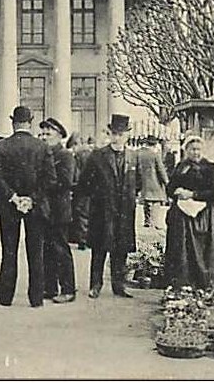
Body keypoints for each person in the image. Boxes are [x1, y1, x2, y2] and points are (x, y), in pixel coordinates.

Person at [0, 106, 57, 308]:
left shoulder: (0, 147)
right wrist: (32, 199)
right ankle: (35, 298)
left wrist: (13, 197)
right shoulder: (43, 147)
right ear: (31, 121)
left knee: (9, 251)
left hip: (9, 207)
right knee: (36, 252)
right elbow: (50, 179)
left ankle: (5, 296)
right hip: (35, 207)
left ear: (13, 122)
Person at [78, 114, 138, 299]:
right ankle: (95, 285)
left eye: (121, 134)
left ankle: (118, 286)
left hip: (125, 210)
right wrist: (96, 197)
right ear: (110, 134)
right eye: (114, 133)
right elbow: (85, 182)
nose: (117, 137)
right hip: (102, 209)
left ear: (127, 135)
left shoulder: (133, 157)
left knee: (121, 249)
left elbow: (138, 182)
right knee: (99, 247)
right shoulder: (98, 155)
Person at [163, 134, 214, 293]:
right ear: (186, 150)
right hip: (182, 217)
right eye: (192, 149)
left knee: (204, 251)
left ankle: (204, 284)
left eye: (198, 149)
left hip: (203, 216)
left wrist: (193, 195)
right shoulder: (181, 167)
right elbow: (170, 188)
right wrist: (177, 192)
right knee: (182, 250)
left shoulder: (210, 168)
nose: (196, 153)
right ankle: (183, 283)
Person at [39, 118, 76, 304]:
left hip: (59, 208)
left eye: (48, 134)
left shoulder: (65, 155)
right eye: (43, 134)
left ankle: (68, 289)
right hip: (45, 209)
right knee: (47, 249)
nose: (44, 137)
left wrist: (43, 185)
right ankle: (49, 287)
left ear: (60, 136)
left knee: (61, 249)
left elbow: (66, 181)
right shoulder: (44, 154)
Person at [67, 132, 92, 250]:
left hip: (80, 188)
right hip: (88, 188)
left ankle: (82, 240)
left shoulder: (79, 155)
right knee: (86, 212)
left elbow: (76, 173)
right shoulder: (89, 153)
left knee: (81, 213)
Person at [137, 135, 169, 229]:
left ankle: (147, 220)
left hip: (144, 181)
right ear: (155, 145)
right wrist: (167, 181)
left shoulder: (139, 153)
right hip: (155, 181)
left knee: (147, 201)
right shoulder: (155, 154)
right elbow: (161, 169)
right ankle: (155, 222)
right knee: (156, 202)